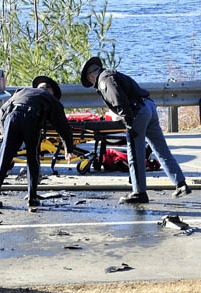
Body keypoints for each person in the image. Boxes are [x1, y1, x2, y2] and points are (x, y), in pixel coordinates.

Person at [80, 57, 192, 204]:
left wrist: (129, 123)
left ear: (91, 75)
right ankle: (180, 183)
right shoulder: (111, 74)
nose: (90, 82)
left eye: (89, 79)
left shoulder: (103, 81)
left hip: (137, 113)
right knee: (160, 149)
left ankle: (139, 192)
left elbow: (118, 99)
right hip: (149, 107)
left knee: (134, 153)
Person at [0, 76, 74, 208]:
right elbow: (63, 127)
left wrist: (4, 132)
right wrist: (68, 148)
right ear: (51, 90)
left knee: (4, 159)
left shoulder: (21, 91)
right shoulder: (50, 98)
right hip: (31, 119)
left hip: (12, 118)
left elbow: (1, 113)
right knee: (33, 159)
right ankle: (32, 198)